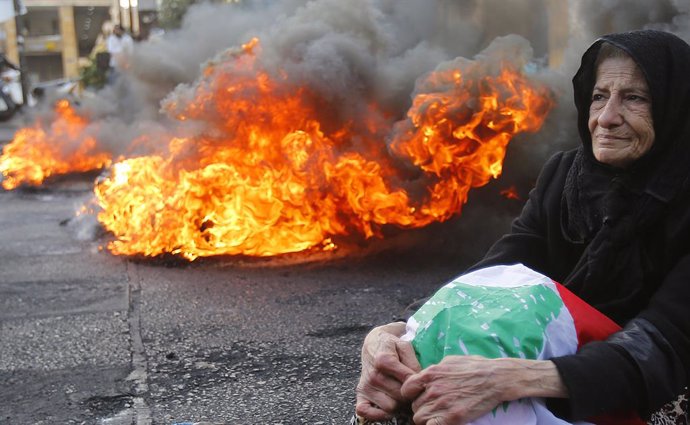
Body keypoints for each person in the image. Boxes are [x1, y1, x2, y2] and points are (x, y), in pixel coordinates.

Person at [355, 29, 690, 425]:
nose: (607, 117)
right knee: (417, 376)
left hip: (658, 383)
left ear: (674, 107)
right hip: (569, 364)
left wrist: (510, 379)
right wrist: (393, 333)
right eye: (600, 96)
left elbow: (663, 346)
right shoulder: (566, 177)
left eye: (634, 98)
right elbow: (494, 276)